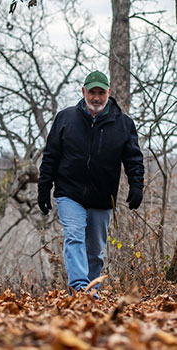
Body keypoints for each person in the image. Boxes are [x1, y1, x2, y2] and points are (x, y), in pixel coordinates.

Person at [37, 70, 144, 296]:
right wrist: (44, 187)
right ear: (83, 91)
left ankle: (91, 291)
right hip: (69, 192)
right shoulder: (65, 118)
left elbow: (133, 158)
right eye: (92, 92)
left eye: (101, 93)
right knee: (74, 236)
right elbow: (51, 155)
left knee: (95, 251)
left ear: (109, 93)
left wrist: (136, 186)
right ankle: (79, 290)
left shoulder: (123, 124)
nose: (96, 97)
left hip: (102, 196)